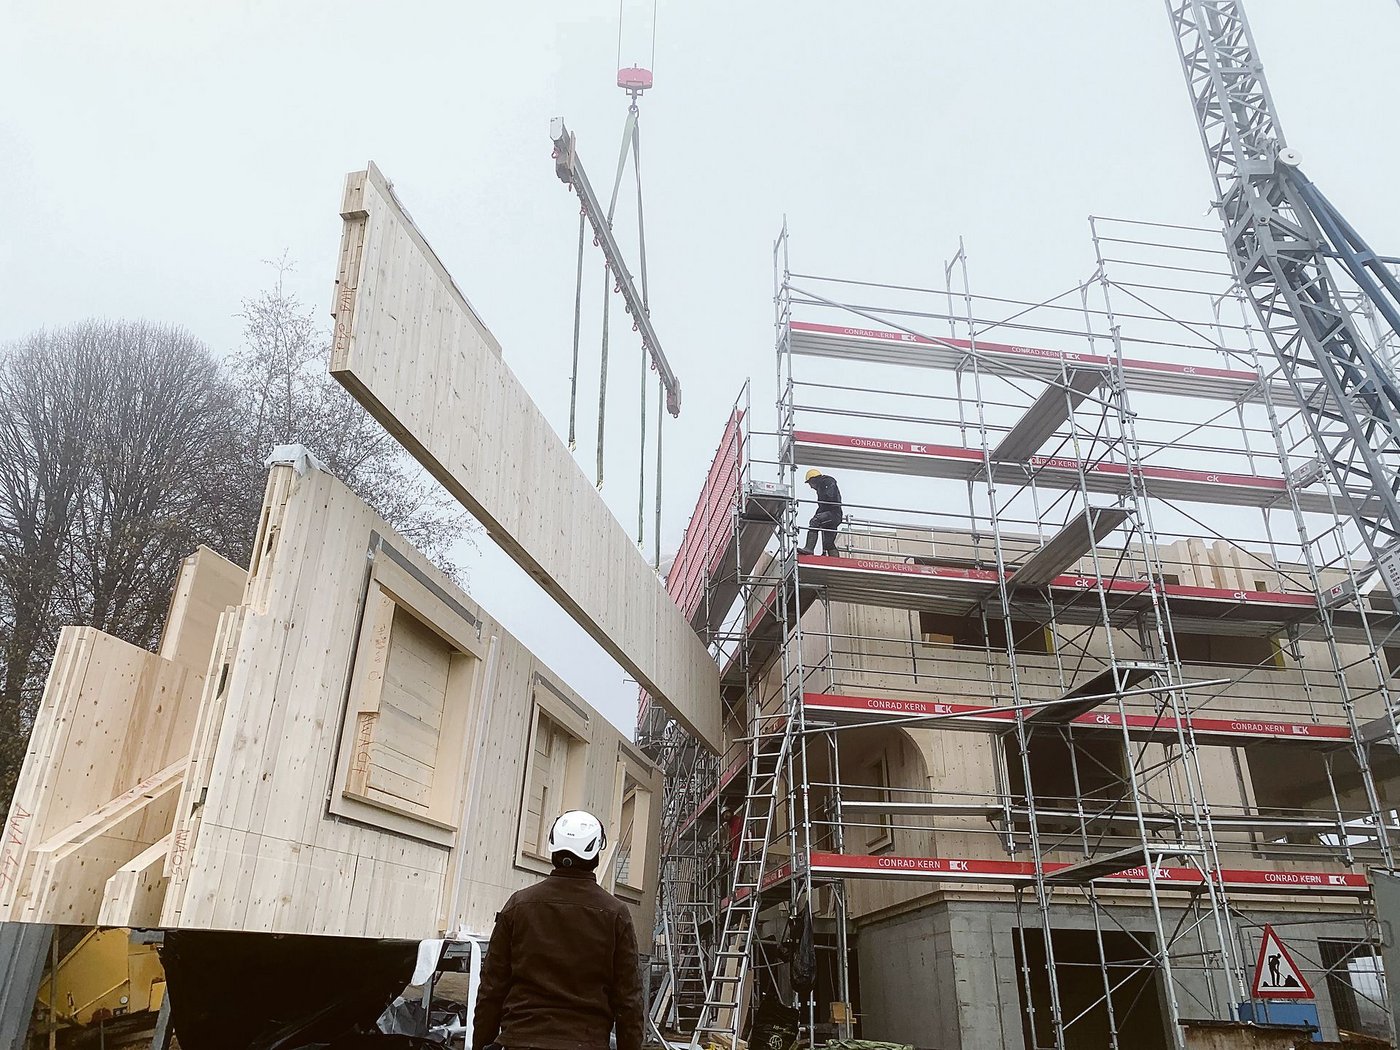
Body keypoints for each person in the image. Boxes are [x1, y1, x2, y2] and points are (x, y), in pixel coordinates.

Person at [473, 811, 643, 1050]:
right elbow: (629, 1002)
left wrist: (482, 1043)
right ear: (595, 853)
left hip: (519, 1041)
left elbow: (491, 990)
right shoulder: (615, 914)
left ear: (553, 848)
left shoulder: (518, 905)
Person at [798, 468, 843, 556]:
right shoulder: (822, 485)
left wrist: (817, 516)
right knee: (828, 543)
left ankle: (809, 548)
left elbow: (829, 499)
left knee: (815, 521)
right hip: (834, 515)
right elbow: (822, 506)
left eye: (810, 483)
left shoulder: (827, 482)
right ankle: (835, 560)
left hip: (833, 514)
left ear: (813, 479)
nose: (811, 487)